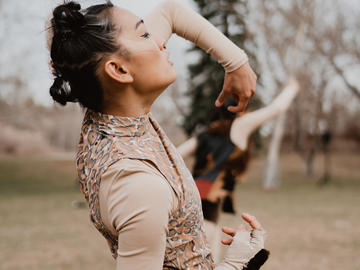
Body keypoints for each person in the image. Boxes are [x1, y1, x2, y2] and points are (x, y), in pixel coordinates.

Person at [46, 0, 266, 269]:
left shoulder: (112, 114)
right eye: (144, 34)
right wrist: (237, 263)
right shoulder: (138, 184)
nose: (161, 42)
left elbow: (171, 12)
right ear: (119, 70)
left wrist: (236, 63)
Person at [178, 79, 299, 261]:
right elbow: (276, 109)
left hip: (188, 201)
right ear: (237, 110)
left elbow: (176, 154)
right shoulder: (240, 126)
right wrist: (292, 88)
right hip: (207, 208)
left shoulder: (205, 135)